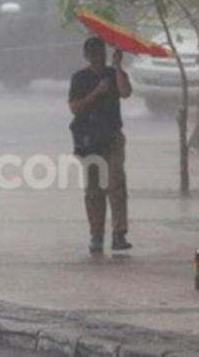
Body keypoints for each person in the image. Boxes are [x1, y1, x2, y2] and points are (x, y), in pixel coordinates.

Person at [68, 36, 132, 253]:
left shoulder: (113, 74)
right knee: (94, 190)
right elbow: (75, 107)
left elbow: (125, 92)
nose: (98, 58)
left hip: (112, 137)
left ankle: (119, 233)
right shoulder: (79, 78)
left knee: (116, 185)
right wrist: (97, 92)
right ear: (87, 56)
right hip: (90, 141)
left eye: (101, 54)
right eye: (94, 54)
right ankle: (96, 235)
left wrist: (118, 67)